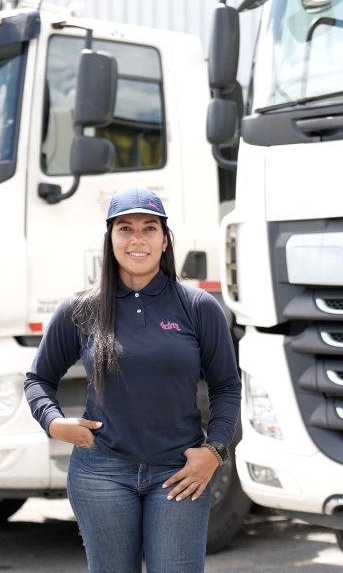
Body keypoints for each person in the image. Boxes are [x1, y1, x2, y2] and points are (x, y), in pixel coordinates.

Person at [24, 186, 241, 573]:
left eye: (149, 228)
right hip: (100, 474)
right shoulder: (80, 309)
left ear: (164, 240)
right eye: (125, 229)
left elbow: (227, 387)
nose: (137, 239)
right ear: (110, 239)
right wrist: (54, 422)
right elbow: (38, 378)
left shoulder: (199, 307)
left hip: (180, 474)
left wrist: (214, 452)